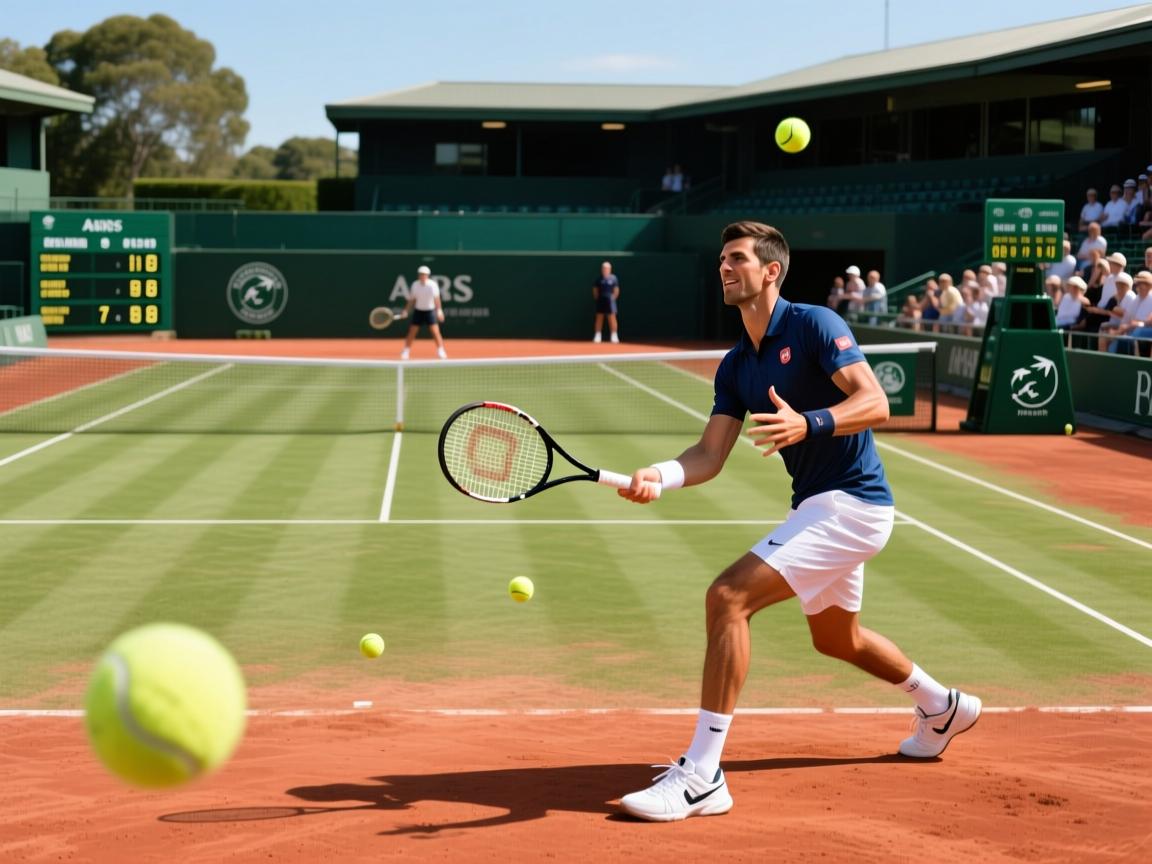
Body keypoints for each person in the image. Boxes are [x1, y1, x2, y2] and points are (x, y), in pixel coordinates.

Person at [615, 221, 981, 822]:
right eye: (721, 261)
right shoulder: (736, 364)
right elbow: (708, 455)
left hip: (854, 505)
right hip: (817, 505)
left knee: (728, 597)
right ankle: (942, 706)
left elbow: (876, 402)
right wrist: (659, 473)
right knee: (837, 638)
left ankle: (703, 775)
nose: (724, 269)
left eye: (736, 259)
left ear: (770, 271)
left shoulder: (815, 324)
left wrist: (809, 422)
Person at [400, 265, 447, 360]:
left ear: (427, 275)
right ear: (419, 275)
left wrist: (439, 310)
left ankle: (441, 350)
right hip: (418, 311)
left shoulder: (432, 285)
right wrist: (406, 310)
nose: (422, 276)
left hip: (430, 311)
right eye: (421, 274)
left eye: (424, 274)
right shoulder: (415, 285)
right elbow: (411, 300)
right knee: (412, 332)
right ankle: (406, 351)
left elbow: (436, 299)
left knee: (435, 332)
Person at [592, 260, 621, 343]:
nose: (605, 270)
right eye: (604, 268)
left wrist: (613, 298)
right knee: (599, 318)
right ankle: (598, 335)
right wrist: (598, 298)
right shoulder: (598, 279)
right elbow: (595, 291)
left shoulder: (614, 278)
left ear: (610, 269)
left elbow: (616, 290)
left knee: (612, 318)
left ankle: (614, 335)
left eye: (607, 268)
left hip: (610, 301)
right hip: (601, 300)